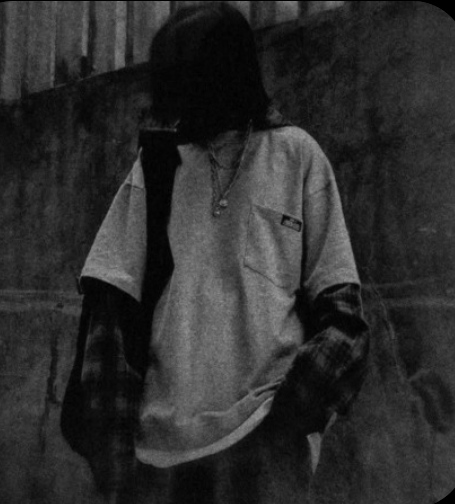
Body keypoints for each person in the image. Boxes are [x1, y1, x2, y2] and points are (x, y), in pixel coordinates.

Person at [61, 3, 369, 503]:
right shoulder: (158, 166)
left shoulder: (297, 156)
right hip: (158, 462)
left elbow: (344, 321)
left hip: (266, 452)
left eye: (190, 80)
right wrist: (117, 467)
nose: (179, 100)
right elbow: (108, 319)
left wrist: (284, 424)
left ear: (229, 75)